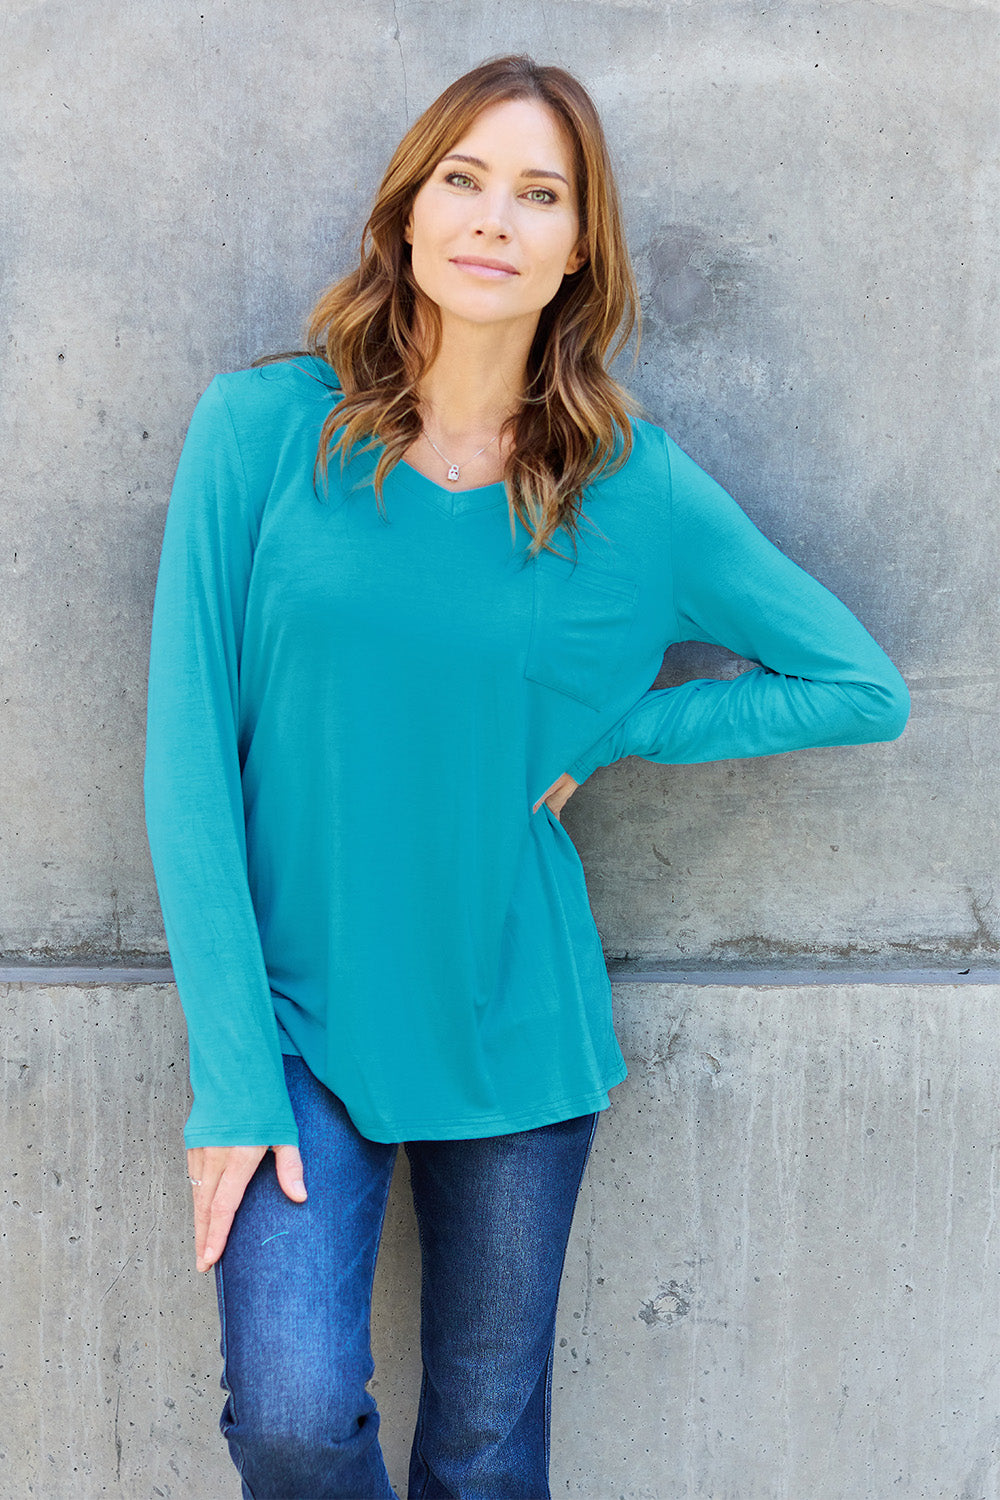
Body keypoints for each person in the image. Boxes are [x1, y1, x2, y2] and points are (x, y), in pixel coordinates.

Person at [143, 52, 910, 1500]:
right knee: (294, 1419)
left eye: (538, 193)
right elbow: (187, 763)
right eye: (464, 179)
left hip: (516, 1022)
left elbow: (860, 687)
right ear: (411, 215)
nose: (494, 217)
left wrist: (621, 732)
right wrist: (233, 1075)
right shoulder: (256, 435)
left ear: (577, 250)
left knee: (489, 1460)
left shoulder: (634, 488)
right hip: (298, 1026)